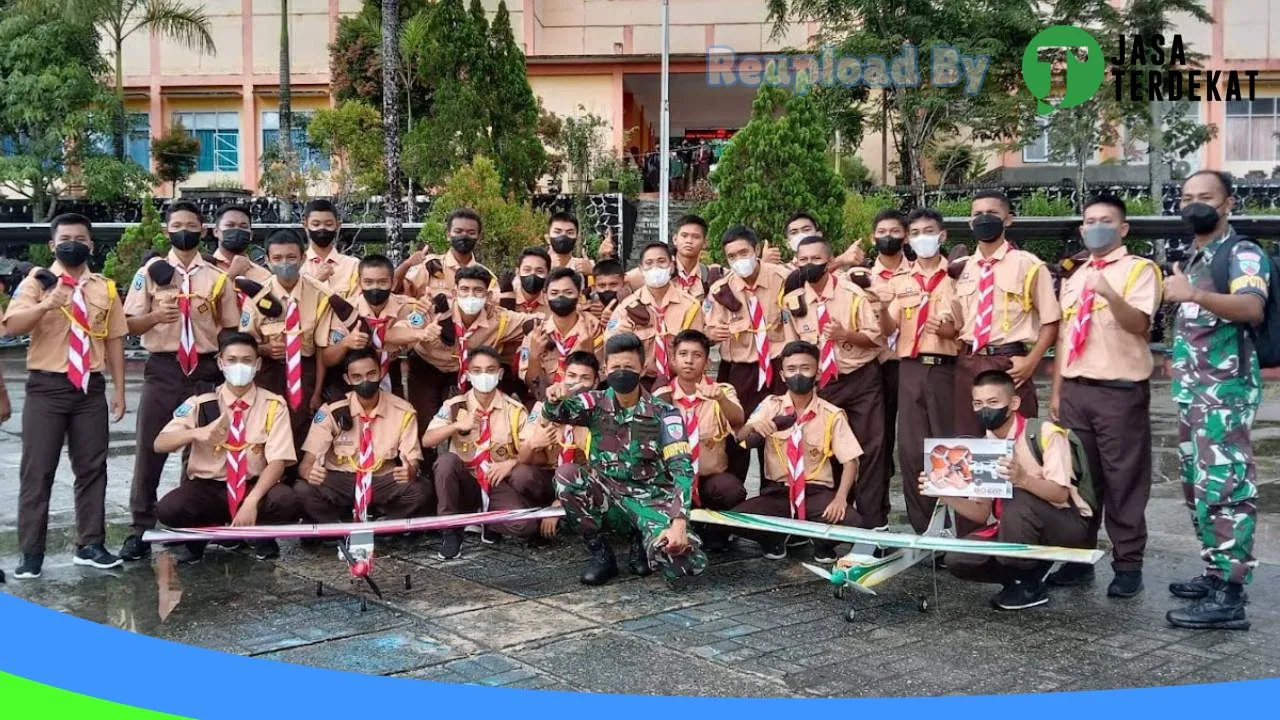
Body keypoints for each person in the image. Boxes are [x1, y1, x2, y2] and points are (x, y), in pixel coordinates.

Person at [1162, 170, 1268, 631]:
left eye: (1205, 197)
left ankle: (1231, 593)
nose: (1195, 205)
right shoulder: (1196, 255)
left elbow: (1251, 308)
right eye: (1187, 198)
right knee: (1197, 488)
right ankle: (1214, 572)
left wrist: (1194, 294)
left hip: (1225, 394)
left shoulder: (1242, 253)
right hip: (1194, 392)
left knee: (1225, 488)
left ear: (1228, 203)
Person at [1047, 194, 1161, 599]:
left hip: (1119, 392)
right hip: (1077, 390)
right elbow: (1064, 337)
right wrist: (1058, 390)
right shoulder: (1075, 275)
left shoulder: (1139, 271)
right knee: (1080, 478)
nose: (1096, 226)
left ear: (1123, 228)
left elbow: (1139, 326)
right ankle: (1079, 558)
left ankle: (1128, 564)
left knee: (1123, 480)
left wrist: (1110, 292)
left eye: (1106, 220)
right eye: (1089, 220)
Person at [4, 214, 128, 578]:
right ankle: (31, 553)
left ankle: (90, 544)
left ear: (90, 245)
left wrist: (119, 389)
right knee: (37, 471)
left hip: (90, 387)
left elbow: (115, 339)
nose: (72, 243)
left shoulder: (105, 288)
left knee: (92, 468)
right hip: (47, 387)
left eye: (80, 238)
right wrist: (47, 303)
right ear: (51, 245)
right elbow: (10, 327)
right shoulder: (35, 283)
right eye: (65, 237)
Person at [120, 201, 239, 562]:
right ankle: (140, 526)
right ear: (167, 231)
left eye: (191, 224)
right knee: (150, 446)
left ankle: (192, 527)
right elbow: (127, 324)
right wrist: (156, 315)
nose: (183, 230)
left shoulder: (218, 278)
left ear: (203, 230)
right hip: (164, 366)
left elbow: (230, 328)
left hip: (204, 367)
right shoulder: (148, 273)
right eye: (176, 225)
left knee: (201, 448)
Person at [540, 332, 706, 586]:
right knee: (567, 475)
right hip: (608, 495)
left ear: (643, 368)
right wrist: (553, 397)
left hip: (650, 501)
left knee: (682, 565)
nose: (621, 372)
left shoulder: (665, 414)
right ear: (605, 369)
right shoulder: (593, 403)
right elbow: (559, 411)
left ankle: (643, 542)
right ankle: (601, 555)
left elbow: (682, 469)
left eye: (628, 367)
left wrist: (679, 522)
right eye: (615, 367)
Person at [938, 371, 1094, 611]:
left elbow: (1060, 494)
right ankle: (1021, 577)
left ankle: (1027, 580)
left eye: (993, 402)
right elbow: (981, 513)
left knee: (1017, 496)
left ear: (1014, 403)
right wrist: (943, 492)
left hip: (1066, 524)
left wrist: (1022, 478)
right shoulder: (985, 445)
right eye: (978, 403)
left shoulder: (1045, 434)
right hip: (1016, 526)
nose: (985, 410)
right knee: (958, 559)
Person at [153, 332, 301, 563]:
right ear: (220, 362)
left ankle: (260, 535)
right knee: (169, 509)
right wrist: (197, 433)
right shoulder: (201, 402)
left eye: (246, 360)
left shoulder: (273, 405)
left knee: (286, 500)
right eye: (231, 360)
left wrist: (251, 502)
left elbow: (277, 462)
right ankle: (202, 534)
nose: (239, 366)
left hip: (252, 486)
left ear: (258, 364)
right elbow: (160, 443)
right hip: (209, 487)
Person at [781, 235, 888, 529]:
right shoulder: (793, 300)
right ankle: (834, 517)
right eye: (802, 260)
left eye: (816, 259)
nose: (809, 265)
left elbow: (877, 339)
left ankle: (873, 523)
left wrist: (846, 335)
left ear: (830, 262)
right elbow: (792, 347)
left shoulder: (853, 294)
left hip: (860, 379)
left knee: (870, 451)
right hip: (822, 385)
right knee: (826, 452)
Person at [731, 340, 864, 563]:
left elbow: (851, 461)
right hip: (778, 493)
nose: (798, 375)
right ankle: (772, 539)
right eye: (791, 369)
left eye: (805, 368)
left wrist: (841, 499)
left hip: (815, 493)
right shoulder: (770, 405)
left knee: (853, 522)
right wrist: (754, 427)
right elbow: (740, 437)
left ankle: (823, 543)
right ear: (782, 375)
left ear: (818, 373)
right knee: (733, 521)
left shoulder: (831, 414)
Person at [950, 191, 1059, 437]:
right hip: (969, 360)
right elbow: (959, 322)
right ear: (970, 222)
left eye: (992, 213)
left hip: (1009, 362)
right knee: (968, 438)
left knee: (1017, 437)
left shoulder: (1029, 265)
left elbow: (1051, 321)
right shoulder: (963, 268)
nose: (984, 219)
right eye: (977, 214)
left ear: (1008, 219)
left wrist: (1032, 361)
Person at [882, 208, 960, 533]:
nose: (921, 238)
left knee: (950, 449)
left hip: (948, 368)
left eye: (928, 231)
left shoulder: (959, 276)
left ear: (942, 236)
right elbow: (889, 326)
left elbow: (969, 324)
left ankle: (961, 525)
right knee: (913, 450)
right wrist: (876, 307)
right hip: (911, 368)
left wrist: (949, 331)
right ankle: (925, 528)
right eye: (914, 233)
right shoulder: (902, 281)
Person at [403, 265, 542, 432]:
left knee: (465, 426)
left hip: (463, 372)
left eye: (478, 291)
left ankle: (458, 455)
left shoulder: (499, 319)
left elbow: (533, 322)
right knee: (425, 425)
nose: (470, 295)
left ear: (488, 295)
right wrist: (421, 334)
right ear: (454, 293)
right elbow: (399, 331)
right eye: (464, 289)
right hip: (427, 366)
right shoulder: (434, 309)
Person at [422, 346, 531, 559]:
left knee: (523, 525)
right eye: (477, 371)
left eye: (490, 370)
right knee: (446, 462)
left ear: (500, 374)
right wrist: (456, 426)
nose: (484, 376)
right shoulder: (455, 406)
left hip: (496, 481)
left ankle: (490, 523)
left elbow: (528, 450)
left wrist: (511, 462)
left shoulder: (514, 410)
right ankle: (450, 531)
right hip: (466, 483)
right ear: (468, 375)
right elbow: (428, 440)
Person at [296, 348, 425, 526]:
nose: (365, 381)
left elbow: (412, 461)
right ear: (347, 379)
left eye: (371, 374)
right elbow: (306, 463)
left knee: (420, 489)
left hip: (380, 480)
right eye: (357, 376)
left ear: (380, 372)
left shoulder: (403, 410)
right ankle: (335, 526)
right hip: (340, 479)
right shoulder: (331, 411)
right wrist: (310, 473)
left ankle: (386, 524)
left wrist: (409, 471)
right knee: (302, 489)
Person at [705, 225, 789, 481]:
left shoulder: (782, 279)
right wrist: (713, 334)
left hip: (776, 367)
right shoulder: (721, 289)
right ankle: (733, 494)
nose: (739, 260)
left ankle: (773, 493)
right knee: (735, 433)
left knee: (775, 430)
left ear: (756, 250)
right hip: (738, 370)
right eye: (732, 256)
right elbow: (707, 329)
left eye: (744, 252)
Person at [239, 229, 335, 451]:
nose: (285, 264)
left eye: (291, 258)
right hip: (268, 374)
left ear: (303, 258)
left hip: (305, 371)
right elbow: (244, 343)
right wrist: (264, 349)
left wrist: (317, 392)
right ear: (267, 261)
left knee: (301, 432)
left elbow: (321, 348)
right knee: (268, 432)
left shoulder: (320, 294)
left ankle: (297, 482)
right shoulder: (257, 296)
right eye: (278, 258)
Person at [652, 330, 746, 551]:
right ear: (673, 360)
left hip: (709, 478)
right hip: (673, 481)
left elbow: (738, 420)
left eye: (697, 355)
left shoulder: (722, 390)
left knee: (730, 490)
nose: (689, 360)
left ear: (707, 361)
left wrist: (720, 399)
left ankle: (717, 529)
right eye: (683, 354)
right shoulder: (661, 397)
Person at [317, 254, 424, 399]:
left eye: (382, 282)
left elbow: (423, 344)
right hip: (356, 381)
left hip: (397, 376)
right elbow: (327, 359)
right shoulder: (346, 311)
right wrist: (345, 343)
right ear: (359, 284)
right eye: (368, 282)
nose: (375, 288)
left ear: (393, 283)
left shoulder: (409, 308)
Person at [520, 351, 600, 542]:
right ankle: (538, 515)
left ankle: (572, 517)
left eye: (585, 378)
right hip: (548, 479)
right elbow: (522, 457)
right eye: (571, 376)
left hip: (584, 483)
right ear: (563, 377)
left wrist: (560, 502)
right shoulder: (543, 407)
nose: (577, 384)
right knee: (522, 474)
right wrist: (533, 444)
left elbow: (601, 469)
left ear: (596, 382)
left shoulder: (602, 413)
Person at [607, 242, 705, 390]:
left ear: (671, 265)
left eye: (661, 262)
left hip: (680, 382)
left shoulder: (690, 306)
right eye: (649, 263)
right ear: (641, 269)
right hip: (640, 383)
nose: (655, 268)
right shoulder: (627, 307)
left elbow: (697, 349)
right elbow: (612, 346)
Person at [867, 210, 911, 499]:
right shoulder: (860, 278)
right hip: (874, 363)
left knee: (912, 435)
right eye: (882, 232)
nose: (888, 237)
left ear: (905, 236)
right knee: (877, 434)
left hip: (910, 364)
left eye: (895, 231)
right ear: (873, 237)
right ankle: (877, 501)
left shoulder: (922, 273)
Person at [519, 268, 603, 404]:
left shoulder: (593, 330)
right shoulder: (536, 333)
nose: (561, 297)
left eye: (568, 292)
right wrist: (534, 357)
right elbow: (532, 384)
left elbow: (599, 383)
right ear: (546, 298)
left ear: (579, 295)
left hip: (584, 404)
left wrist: (588, 355)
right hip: (545, 403)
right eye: (554, 293)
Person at [395, 207, 496, 301]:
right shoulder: (430, 265)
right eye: (458, 231)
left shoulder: (487, 275)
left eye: (471, 233)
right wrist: (407, 264)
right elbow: (393, 289)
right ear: (448, 235)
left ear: (479, 237)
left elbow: (497, 304)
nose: (464, 236)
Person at [625, 215, 720, 299]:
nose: (689, 241)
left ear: (705, 243)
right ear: (675, 239)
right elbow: (620, 281)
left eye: (696, 237)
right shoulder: (659, 270)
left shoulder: (710, 275)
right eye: (684, 235)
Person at [209, 204, 271, 302]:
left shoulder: (264, 275)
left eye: (243, 226)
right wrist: (231, 275)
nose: (237, 230)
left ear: (251, 235)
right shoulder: (204, 270)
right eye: (230, 225)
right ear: (216, 232)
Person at [763, 212, 865, 271]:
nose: (801, 235)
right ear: (787, 243)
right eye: (794, 232)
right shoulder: (782, 271)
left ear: (818, 235)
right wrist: (763, 266)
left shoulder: (839, 272)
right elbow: (801, 281)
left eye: (806, 230)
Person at [300, 199, 360, 297]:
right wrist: (316, 281)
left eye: (328, 224)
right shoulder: (297, 266)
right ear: (305, 226)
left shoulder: (353, 266)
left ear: (338, 226)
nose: (322, 229)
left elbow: (356, 305)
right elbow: (291, 306)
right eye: (316, 224)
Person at [501, 247, 552, 315]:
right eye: (527, 270)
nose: (533, 275)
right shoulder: (502, 298)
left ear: (548, 274)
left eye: (539, 271)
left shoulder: (552, 305)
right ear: (518, 272)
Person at [546, 212, 595, 276]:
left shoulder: (587, 265)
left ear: (577, 239)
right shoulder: (536, 266)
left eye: (570, 233)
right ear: (547, 238)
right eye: (557, 232)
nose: (563, 236)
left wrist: (592, 273)